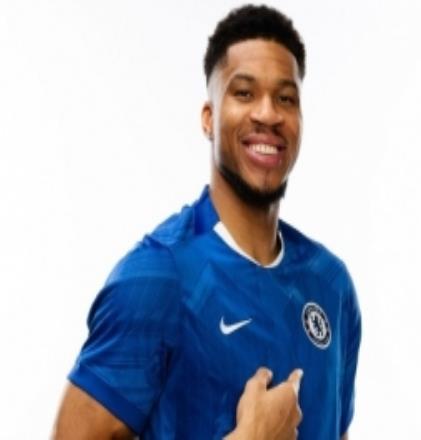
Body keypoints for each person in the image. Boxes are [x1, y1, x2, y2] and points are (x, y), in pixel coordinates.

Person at [52, 4, 361, 439]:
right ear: (209, 119)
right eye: (244, 93)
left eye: (286, 99)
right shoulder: (159, 276)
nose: (268, 114)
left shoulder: (331, 284)